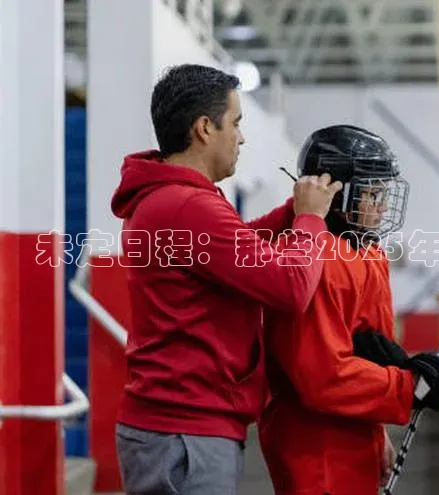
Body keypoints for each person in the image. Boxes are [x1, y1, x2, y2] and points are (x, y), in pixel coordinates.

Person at [109, 63, 342, 494]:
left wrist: (292, 212)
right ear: (204, 128)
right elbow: (291, 288)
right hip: (186, 434)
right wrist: (310, 220)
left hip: (176, 429)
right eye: (235, 122)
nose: (242, 137)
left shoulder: (169, 199)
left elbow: (234, 248)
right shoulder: (188, 206)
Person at [257, 124, 439, 495]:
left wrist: (377, 428)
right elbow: (322, 378)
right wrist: (407, 387)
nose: (382, 206)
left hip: (353, 436)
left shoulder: (369, 253)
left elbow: (367, 352)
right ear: (337, 195)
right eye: (373, 193)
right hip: (317, 448)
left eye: (384, 193)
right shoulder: (315, 259)